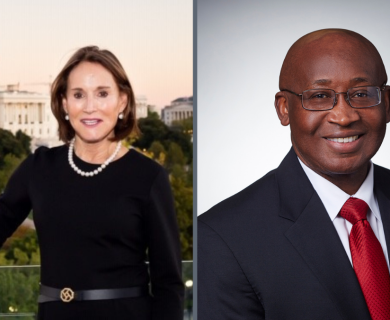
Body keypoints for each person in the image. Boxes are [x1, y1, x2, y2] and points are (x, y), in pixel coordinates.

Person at [198, 29, 390, 320]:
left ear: (387, 103)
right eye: (320, 96)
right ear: (284, 109)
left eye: (361, 94)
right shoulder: (222, 238)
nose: (344, 116)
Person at [0, 46, 184, 320]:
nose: (89, 107)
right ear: (64, 104)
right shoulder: (38, 168)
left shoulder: (147, 176)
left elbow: (168, 283)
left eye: (102, 93)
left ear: (122, 101)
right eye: (78, 95)